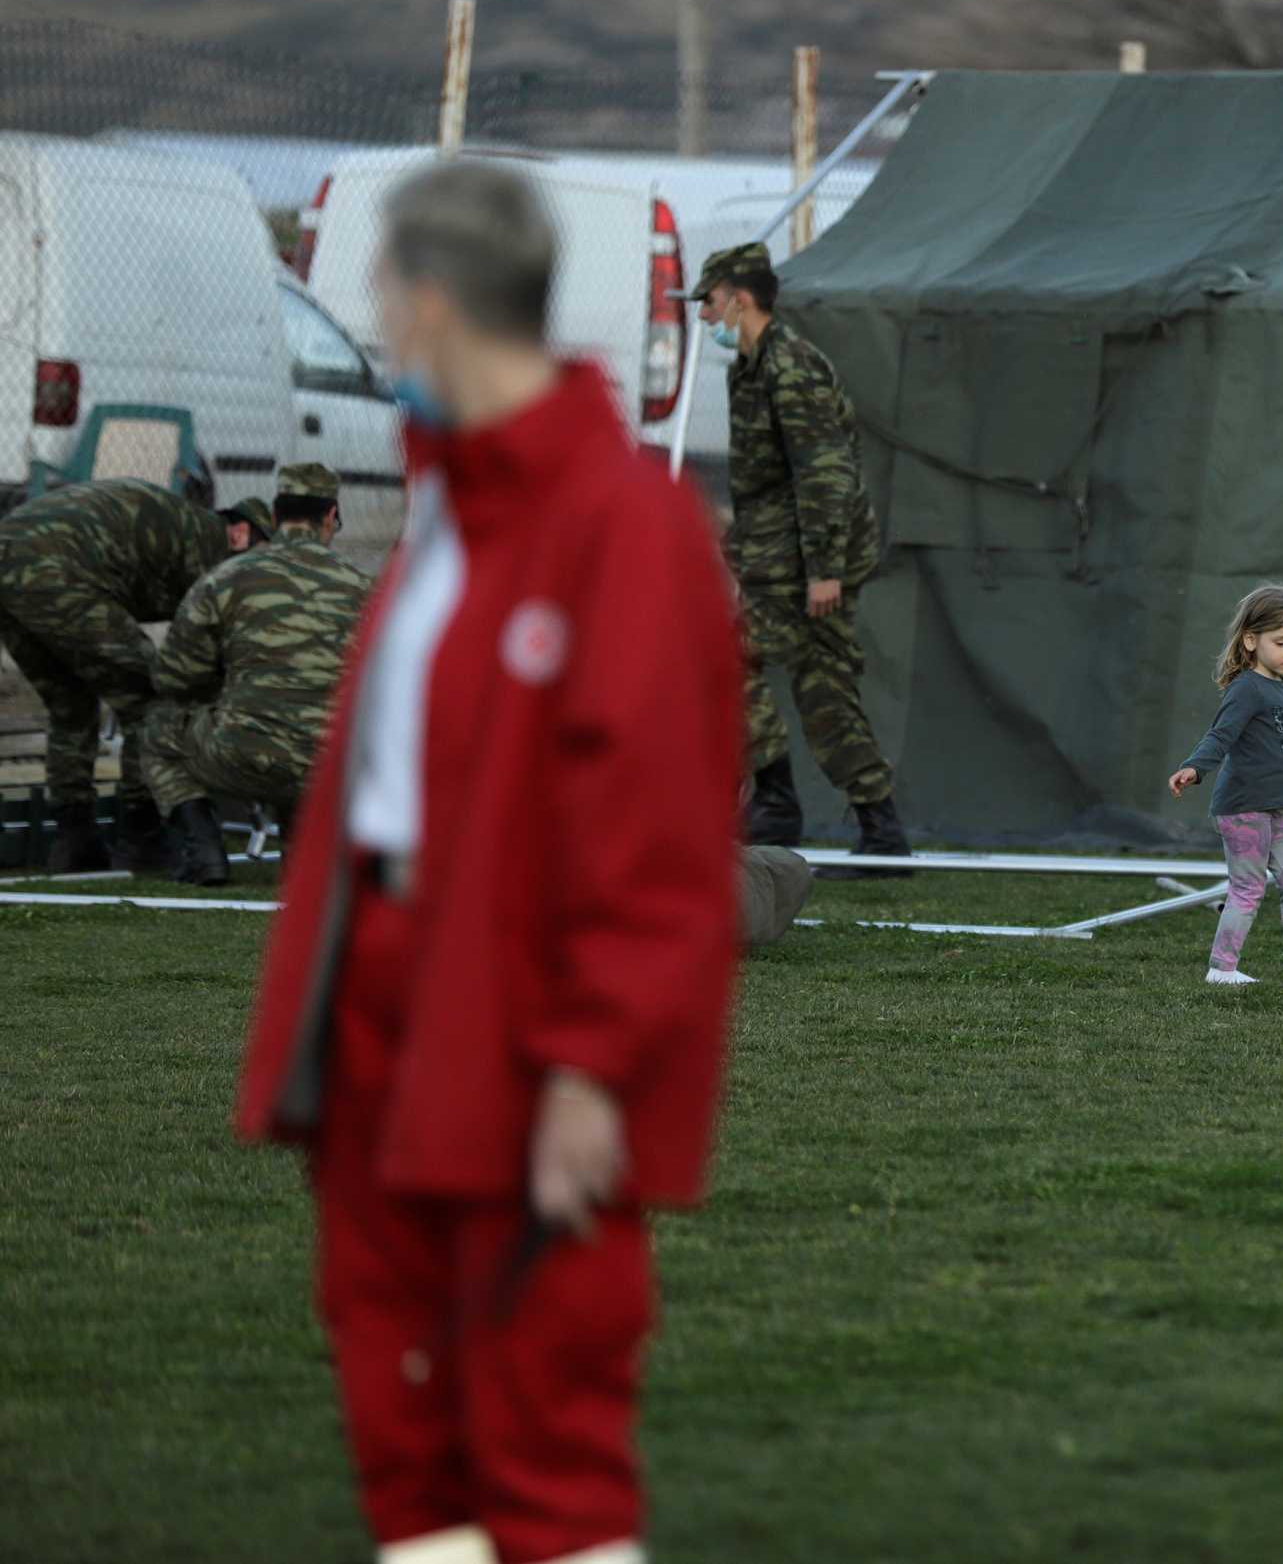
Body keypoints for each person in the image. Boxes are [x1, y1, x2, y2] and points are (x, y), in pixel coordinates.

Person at [234, 161, 743, 1564]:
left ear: (429, 302)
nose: (383, 336)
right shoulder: (447, 512)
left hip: (513, 1016)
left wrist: (591, 1065)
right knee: (406, 1421)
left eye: (386, 301)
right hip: (386, 996)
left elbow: (655, 836)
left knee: (540, 1412)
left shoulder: (621, 528)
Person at [691, 241, 910, 870]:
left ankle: (781, 800)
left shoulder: (790, 367)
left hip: (809, 563)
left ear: (739, 298)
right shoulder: (753, 366)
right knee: (822, 688)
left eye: (709, 302)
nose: (704, 317)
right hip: (779, 558)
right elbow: (768, 482)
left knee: (733, 661)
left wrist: (824, 571)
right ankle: (878, 826)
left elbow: (825, 475)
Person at [0, 475, 272, 874]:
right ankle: (142, 836)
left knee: (71, 706)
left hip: (13, 564)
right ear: (240, 534)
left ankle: (75, 842)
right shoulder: (208, 549)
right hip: (56, 568)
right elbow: (198, 656)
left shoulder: (187, 530)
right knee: (149, 702)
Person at [140, 461, 372, 885]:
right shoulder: (363, 587)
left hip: (242, 755)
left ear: (275, 513)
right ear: (331, 515)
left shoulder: (226, 579)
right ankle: (305, 858)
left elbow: (172, 677)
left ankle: (205, 852)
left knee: (158, 729)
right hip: (334, 763)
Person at [1169, 584, 1283, 988]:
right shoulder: (1246, 688)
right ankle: (1222, 968)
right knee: (1248, 888)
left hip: (1276, 807)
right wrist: (1195, 768)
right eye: (1280, 641)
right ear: (1251, 640)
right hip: (1243, 809)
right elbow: (1220, 736)